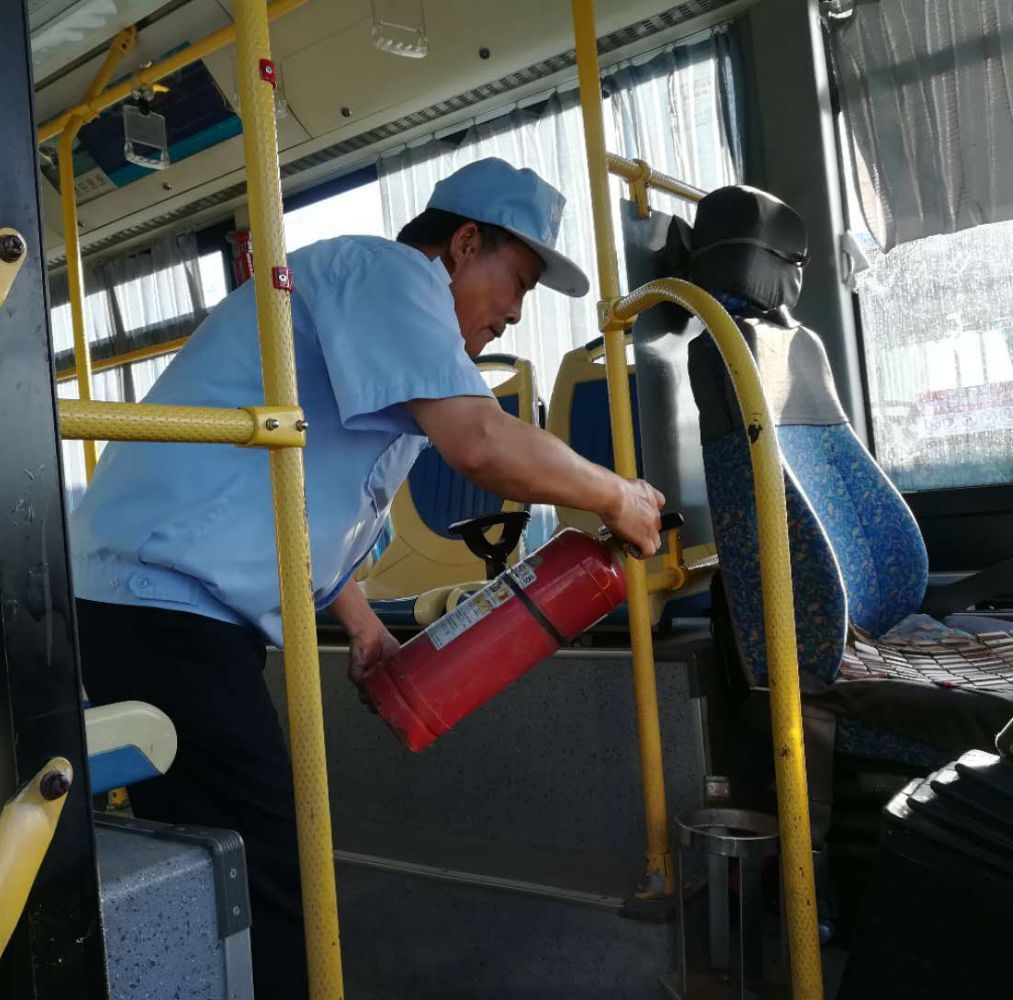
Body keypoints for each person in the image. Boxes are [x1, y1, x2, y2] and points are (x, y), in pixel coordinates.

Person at [71, 157, 665, 997]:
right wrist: (618, 496)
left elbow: (305, 497)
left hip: (164, 610)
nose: (512, 312)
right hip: (157, 606)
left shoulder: (376, 312)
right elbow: (482, 445)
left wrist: (363, 626)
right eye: (518, 283)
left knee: (229, 856)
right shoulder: (388, 274)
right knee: (262, 867)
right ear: (465, 244)